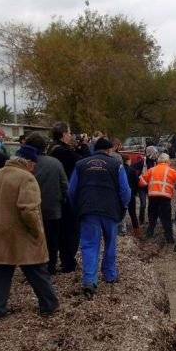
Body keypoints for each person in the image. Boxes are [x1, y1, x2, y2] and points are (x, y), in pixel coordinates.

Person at [0, 145, 59, 320]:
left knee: (0, 274)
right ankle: (49, 304)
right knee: (37, 272)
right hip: (22, 235)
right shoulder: (26, 178)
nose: (33, 168)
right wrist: (37, 232)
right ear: (28, 162)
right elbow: (28, 210)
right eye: (33, 164)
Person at [69, 138, 131, 296]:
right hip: (110, 210)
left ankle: (89, 280)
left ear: (94, 149)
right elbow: (125, 191)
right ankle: (110, 274)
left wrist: (77, 208)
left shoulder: (80, 164)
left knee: (89, 244)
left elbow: (71, 191)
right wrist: (123, 206)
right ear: (109, 150)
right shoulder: (116, 165)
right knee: (110, 242)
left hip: (88, 209)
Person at [25, 133, 69, 275]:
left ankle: (33, 267)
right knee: (52, 240)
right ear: (44, 147)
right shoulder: (55, 163)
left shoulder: (25, 164)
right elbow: (65, 185)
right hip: (53, 209)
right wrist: (63, 200)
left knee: (31, 240)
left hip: (30, 209)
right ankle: (50, 266)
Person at [48, 122, 84, 273]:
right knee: (71, 231)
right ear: (63, 134)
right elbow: (82, 162)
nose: (70, 136)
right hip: (66, 195)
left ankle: (55, 262)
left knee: (57, 232)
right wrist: (83, 145)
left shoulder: (51, 148)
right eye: (69, 133)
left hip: (52, 194)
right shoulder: (64, 151)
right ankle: (68, 262)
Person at [139, 153, 176, 243]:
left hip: (152, 197)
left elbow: (141, 182)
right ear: (167, 161)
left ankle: (149, 235)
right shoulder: (171, 171)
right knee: (166, 219)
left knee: (152, 217)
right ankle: (169, 239)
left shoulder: (151, 170)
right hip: (165, 198)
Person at [122, 156, 141, 238]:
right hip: (131, 194)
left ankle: (121, 231)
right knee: (133, 214)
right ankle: (137, 232)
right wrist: (136, 192)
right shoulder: (132, 170)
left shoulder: (120, 170)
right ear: (128, 161)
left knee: (121, 213)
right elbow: (137, 182)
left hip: (122, 194)